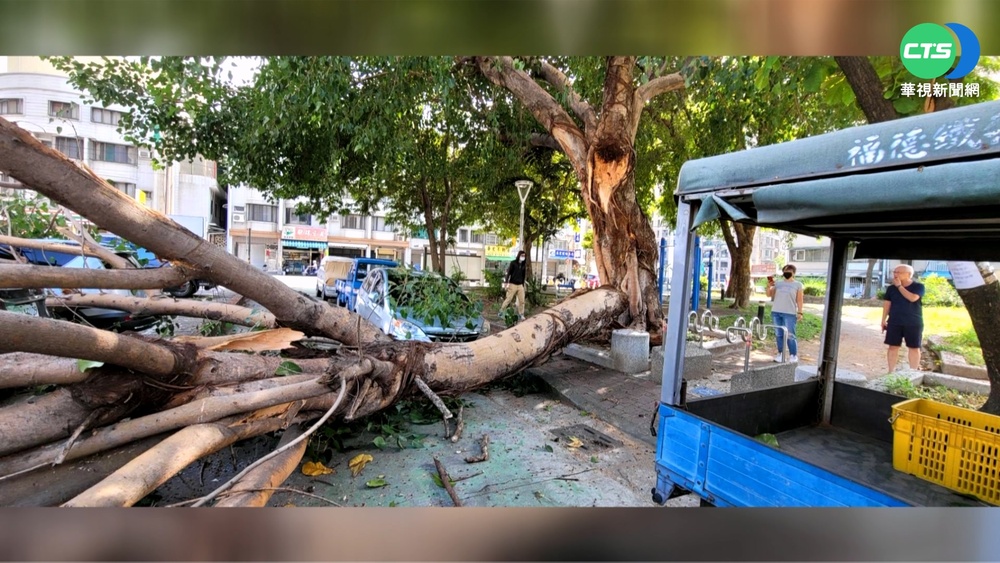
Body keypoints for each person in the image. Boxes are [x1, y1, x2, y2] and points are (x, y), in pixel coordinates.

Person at [882, 264, 925, 373]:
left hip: (913, 322)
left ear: (908, 274)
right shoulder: (891, 289)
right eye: (894, 272)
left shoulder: (918, 286)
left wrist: (899, 287)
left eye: (899, 272)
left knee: (914, 347)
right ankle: (891, 371)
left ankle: (913, 372)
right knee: (893, 346)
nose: (895, 274)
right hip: (894, 321)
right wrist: (883, 319)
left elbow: (912, 298)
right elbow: (887, 304)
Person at [766, 264, 804, 363]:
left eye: (790, 271)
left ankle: (793, 355)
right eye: (785, 271)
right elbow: (769, 295)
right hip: (776, 312)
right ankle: (780, 354)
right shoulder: (778, 283)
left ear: (793, 273)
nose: (787, 273)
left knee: (790, 335)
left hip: (790, 313)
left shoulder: (798, 285)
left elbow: (799, 300)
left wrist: (800, 312)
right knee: (779, 334)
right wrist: (769, 286)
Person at [499, 250, 528, 321]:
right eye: (522, 256)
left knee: (522, 300)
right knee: (509, 299)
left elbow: (523, 276)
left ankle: (521, 314)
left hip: (520, 285)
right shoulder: (513, 263)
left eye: (524, 256)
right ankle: (501, 312)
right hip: (513, 284)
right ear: (519, 255)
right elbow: (509, 273)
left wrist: (523, 285)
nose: (523, 257)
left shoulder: (524, 265)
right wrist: (506, 282)